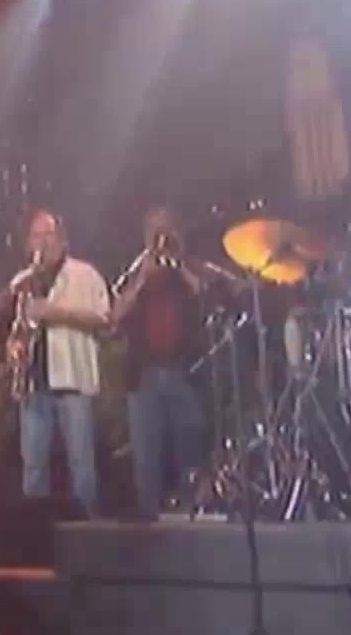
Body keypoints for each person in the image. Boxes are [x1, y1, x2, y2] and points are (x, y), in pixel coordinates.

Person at [10, 210, 109, 516]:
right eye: (36, 236)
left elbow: (103, 318)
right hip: (33, 385)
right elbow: (18, 328)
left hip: (72, 383)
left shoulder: (84, 274)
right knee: (33, 466)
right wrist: (15, 344)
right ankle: (35, 532)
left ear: (63, 239)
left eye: (48, 235)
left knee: (81, 463)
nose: (42, 242)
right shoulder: (24, 282)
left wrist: (57, 314)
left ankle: (88, 531)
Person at [112, 205, 207, 519]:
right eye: (154, 230)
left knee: (189, 449)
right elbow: (115, 314)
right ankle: (149, 524)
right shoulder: (135, 270)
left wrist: (178, 264)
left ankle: (193, 516)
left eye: (165, 229)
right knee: (146, 457)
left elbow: (203, 293)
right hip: (142, 376)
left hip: (183, 371)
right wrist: (142, 278)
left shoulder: (185, 267)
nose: (160, 236)